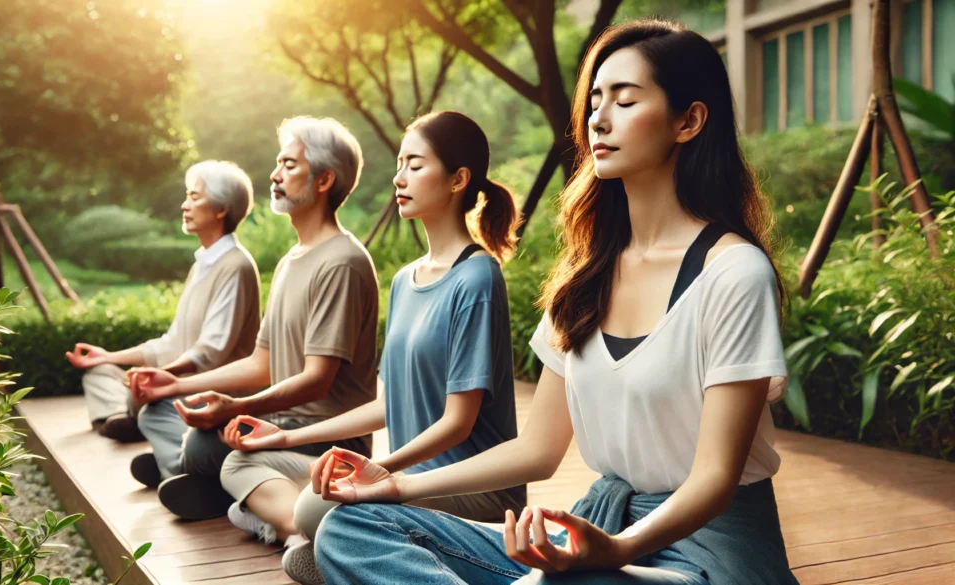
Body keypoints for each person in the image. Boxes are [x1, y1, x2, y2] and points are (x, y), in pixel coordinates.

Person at [309, 19, 798, 585]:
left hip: (705, 556)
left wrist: (613, 551)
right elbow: (539, 449)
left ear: (688, 121)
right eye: (594, 100)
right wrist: (397, 484)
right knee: (352, 527)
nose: (599, 118)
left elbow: (714, 481)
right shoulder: (587, 275)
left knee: (558, 582)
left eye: (625, 99)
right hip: (599, 537)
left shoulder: (733, 272)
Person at [220, 111, 527, 584]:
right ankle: (352, 551)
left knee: (319, 508)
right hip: (406, 480)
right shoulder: (404, 280)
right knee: (280, 484)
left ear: (458, 179)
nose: (399, 178)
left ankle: (353, 549)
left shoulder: (477, 278)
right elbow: (385, 405)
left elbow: (458, 422)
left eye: (416, 165)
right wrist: (283, 438)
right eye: (399, 163)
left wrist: (378, 472)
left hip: (474, 489)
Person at [126, 116, 379, 522]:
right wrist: (177, 384)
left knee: (203, 447)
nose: (275, 176)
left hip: (326, 435)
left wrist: (237, 406)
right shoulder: (289, 261)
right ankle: (233, 496)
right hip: (282, 419)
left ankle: (226, 490)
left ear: (324, 179)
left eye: (289, 165)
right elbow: (260, 364)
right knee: (169, 413)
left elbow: (319, 379)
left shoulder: (342, 263)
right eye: (278, 164)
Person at [65, 160, 261, 446]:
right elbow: (170, 343)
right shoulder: (203, 263)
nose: (184, 205)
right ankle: (130, 418)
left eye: (194, 197)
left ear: (221, 209)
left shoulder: (236, 266)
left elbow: (210, 353)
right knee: (99, 373)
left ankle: (132, 418)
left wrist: (161, 377)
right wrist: (108, 357)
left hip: (206, 391)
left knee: (140, 395)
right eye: (186, 196)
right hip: (176, 382)